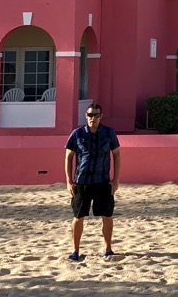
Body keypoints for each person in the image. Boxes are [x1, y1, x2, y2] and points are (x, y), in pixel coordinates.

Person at [64, 102, 121, 261]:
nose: (93, 118)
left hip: (103, 181)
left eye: (96, 115)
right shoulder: (77, 134)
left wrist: (115, 179)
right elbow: (69, 157)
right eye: (90, 115)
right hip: (82, 182)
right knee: (78, 216)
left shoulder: (109, 133)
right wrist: (69, 181)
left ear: (101, 116)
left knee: (107, 215)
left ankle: (108, 249)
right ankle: (75, 251)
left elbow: (116, 155)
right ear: (86, 116)